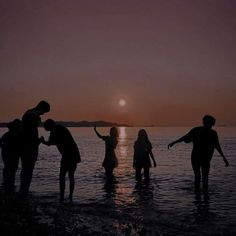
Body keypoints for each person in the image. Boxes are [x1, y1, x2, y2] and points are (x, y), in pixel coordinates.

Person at [168, 115, 229, 193]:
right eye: (207, 123)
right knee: (202, 177)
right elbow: (185, 137)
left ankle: (200, 196)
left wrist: (224, 158)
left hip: (202, 158)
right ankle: (202, 196)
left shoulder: (205, 132)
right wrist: (174, 142)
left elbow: (217, 146)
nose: (208, 125)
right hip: (199, 157)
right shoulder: (203, 131)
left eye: (209, 123)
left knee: (201, 177)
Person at [42, 119, 81, 203]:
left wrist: (42, 141)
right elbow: (54, 142)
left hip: (68, 154)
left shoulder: (54, 130)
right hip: (74, 153)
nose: (44, 128)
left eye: (45, 126)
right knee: (71, 176)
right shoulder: (60, 128)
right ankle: (70, 197)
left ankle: (62, 197)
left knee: (62, 176)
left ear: (49, 125)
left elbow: (50, 143)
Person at [20, 100, 50, 196]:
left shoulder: (29, 114)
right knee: (27, 170)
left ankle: (23, 190)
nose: (43, 114)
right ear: (41, 108)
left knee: (25, 170)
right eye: (44, 112)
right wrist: (39, 141)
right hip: (29, 149)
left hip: (26, 147)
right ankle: (24, 192)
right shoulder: (31, 116)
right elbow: (29, 138)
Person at [0, 119, 22, 193]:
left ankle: (7, 184)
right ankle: (9, 185)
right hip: (10, 154)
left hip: (8, 153)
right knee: (11, 169)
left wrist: (4, 147)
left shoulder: (8, 134)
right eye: (19, 125)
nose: (20, 126)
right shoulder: (15, 134)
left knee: (9, 169)